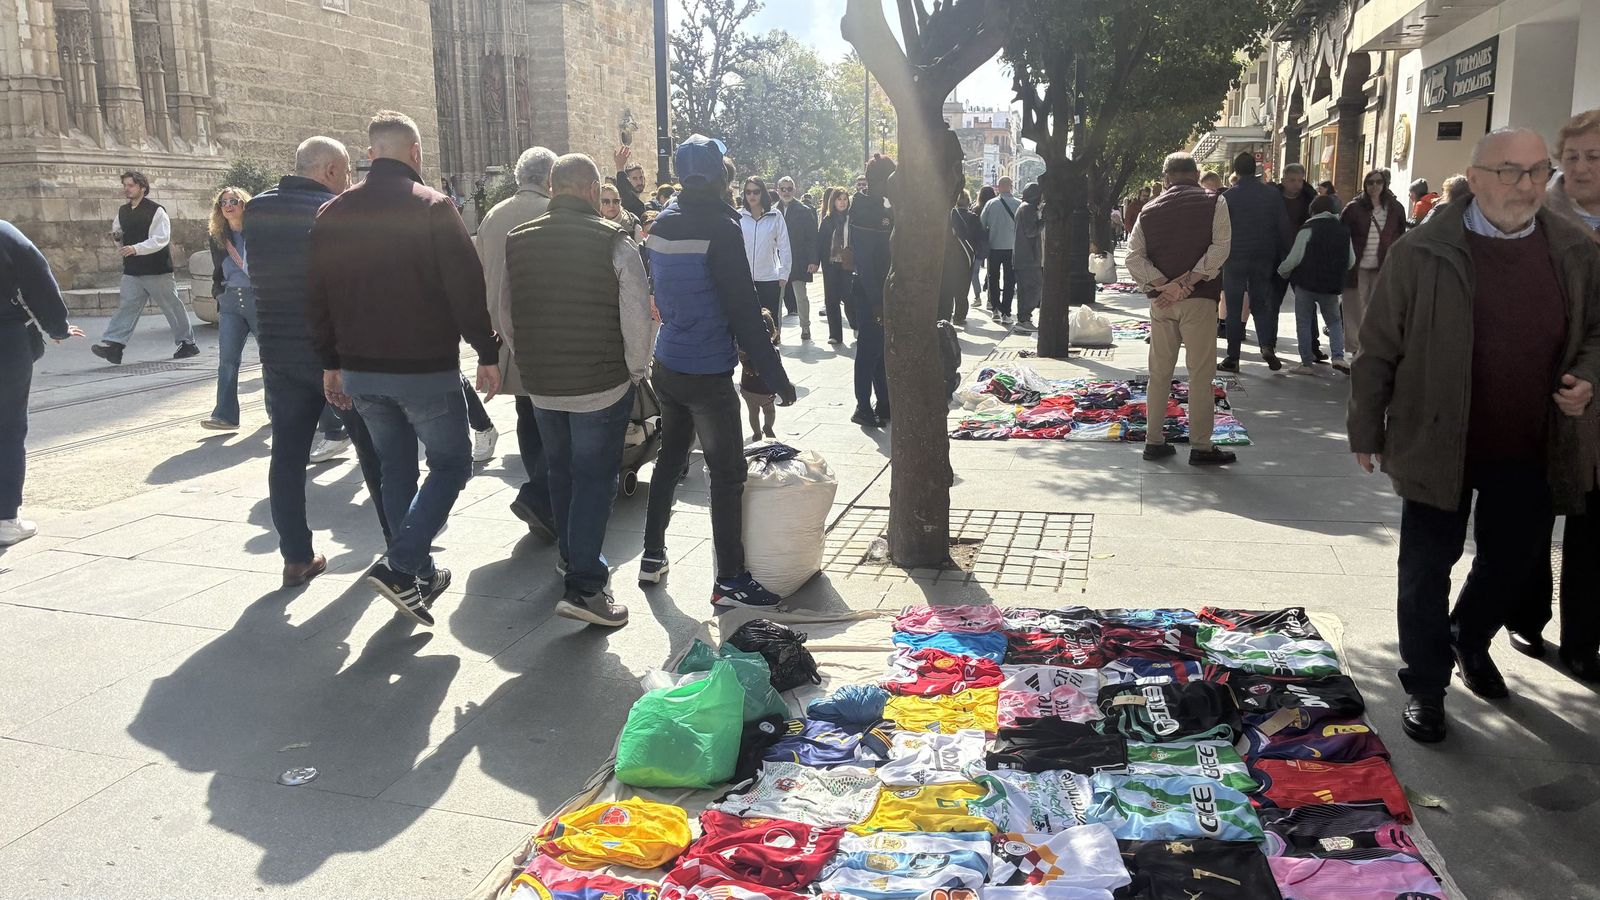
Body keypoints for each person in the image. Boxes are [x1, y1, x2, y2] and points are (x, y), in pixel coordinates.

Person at [1348, 126, 1600, 743]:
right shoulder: (1424, 249)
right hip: (1438, 436)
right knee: (1427, 566)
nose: (1529, 184)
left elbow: (1597, 331)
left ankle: (1468, 634)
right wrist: (1366, 423)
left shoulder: (1575, 248)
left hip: (1533, 439)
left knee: (1514, 560)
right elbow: (1379, 344)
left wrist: (1586, 378)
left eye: (1539, 171)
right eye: (1512, 171)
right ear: (1478, 176)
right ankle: (1428, 687)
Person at [307, 110, 501, 626]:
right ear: (415, 153)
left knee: (395, 468)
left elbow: (318, 297)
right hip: (422, 368)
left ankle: (417, 571)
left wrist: (330, 364)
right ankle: (402, 564)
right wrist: (487, 351)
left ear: (370, 155)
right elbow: (466, 288)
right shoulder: (433, 208)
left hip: (361, 371)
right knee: (452, 463)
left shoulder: (332, 214)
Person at [640, 134, 796, 608]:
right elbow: (745, 312)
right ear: (722, 176)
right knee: (727, 475)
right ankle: (729, 578)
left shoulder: (663, 224)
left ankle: (651, 555)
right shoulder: (722, 228)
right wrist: (774, 377)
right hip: (707, 372)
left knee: (670, 460)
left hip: (667, 363)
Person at [504, 153, 652, 627]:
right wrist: (637, 371)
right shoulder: (614, 240)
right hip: (599, 384)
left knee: (563, 473)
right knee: (594, 480)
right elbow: (636, 314)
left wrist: (527, 360)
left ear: (552, 187)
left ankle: (572, 557)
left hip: (542, 385)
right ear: (592, 190)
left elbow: (507, 313)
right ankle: (586, 586)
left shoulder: (518, 240)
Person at [247, 136, 392, 588]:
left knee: (287, 456)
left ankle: (296, 556)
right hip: (334, 356)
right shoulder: (338, 211)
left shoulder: (256, 209)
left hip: (278, 353)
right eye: (347, 172)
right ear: (330, 170)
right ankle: (401, 550)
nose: (348, 181)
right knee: (373, 451)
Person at [1525, 109, 1600, 683]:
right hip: (1538, 388)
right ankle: (1525, 617)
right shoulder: (1533, 218)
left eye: (1594, 157)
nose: (1580, 167)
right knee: (1528, 513)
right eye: (1571, 156)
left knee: (1592, 525)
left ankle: (1582, 639)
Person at [1125, 152, 1235, 467]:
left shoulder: (1149, 209)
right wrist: (1186, 283)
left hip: (1162, 303)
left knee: (1159, 373)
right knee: (1201, 374)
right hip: (1199, 301)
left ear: (1165, 179)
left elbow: (1133, 258)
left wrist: (1165, 286)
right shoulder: (1215, 202)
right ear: (1196, 174)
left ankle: (1153, 441)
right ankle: (1201, 446)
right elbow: (1220, 248)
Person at [477, 145, 558, 541]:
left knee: (528, 416)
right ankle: (541, 496)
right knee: (555, 423)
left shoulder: (493, 215)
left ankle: (540, 495)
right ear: (550, 179)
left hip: (501, 337)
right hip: (545, 336)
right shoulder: (553, 214)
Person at [1, 220, 83, 546]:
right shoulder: (4, 233)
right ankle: (5, 518)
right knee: (7, 427)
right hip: (5, 341)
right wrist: (56, 326)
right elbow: (37, 274)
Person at [90, 171, 198, 365]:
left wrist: (136, 248)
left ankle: (188, 343)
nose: (126, 189)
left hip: (156, 269)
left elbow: (161, 239)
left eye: (130, 185)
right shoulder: (122, 211)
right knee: (127, 306)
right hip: (132, 269)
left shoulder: (157, 211)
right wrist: (118, 239)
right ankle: (115, 346)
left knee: (171, 306)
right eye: (125, 185)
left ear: (142, 187)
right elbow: (119, 234)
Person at [1219, 152, 1289, 373]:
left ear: (1236, 170)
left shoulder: (1228, 197)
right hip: (1263, 257)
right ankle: (1266, 346)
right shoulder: (1272, 195)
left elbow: (1221, 230)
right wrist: (1285, 256)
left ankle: (1233, 356)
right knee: (1260, 304)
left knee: (1233, 306)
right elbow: (1283, 226)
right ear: (1256, 169)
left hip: (1235, 257)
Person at [200, 186, 258, 431]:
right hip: (231, 300)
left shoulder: (258, 232)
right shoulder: (219, 238)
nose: (228, 205)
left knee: (271, 359)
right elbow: (217, 271)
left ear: (244, 204)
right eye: (223, 202)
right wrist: (220, 294)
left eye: (234, 200)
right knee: (227, 360)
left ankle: (276, 412)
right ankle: (225, 415)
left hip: (257, 298)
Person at [1277, 195, 1352, 375]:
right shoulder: (1343, 230)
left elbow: (1294, 258)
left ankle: (1306, 363)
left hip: (1306, 283)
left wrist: (1281, 271)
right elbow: (1351, 260)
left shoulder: (1308, 229)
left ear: (1313, 210)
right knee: (1334, 322)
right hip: (1331, 286)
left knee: (1303, 322)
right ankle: (1338, 357)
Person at [1340, 169, 1408, 358]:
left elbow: (1401, 235)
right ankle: (1355, 349)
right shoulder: (1354, 208)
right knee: (1354, 309)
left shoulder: (1395, 208)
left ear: (1385, 184)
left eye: (1379, 182)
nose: (1375, 186)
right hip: (1356, 266)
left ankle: (1372, 347)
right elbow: (1341, 235)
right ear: (1365, 185)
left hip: (1382, 266)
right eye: (1370, 182)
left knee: (1377, 309)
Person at [850, 154, 895, 427]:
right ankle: (862, 406)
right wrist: (877, 301)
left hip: (883, 290)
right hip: (869, 293)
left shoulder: (883, 206)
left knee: (881, 350)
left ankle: (884, 402)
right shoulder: (865, 207)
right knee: (868, 351)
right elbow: (865, 263)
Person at [739, 175, 792, 339]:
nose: (752, 196)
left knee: (771, 327)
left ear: (762, 193)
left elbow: (784, 246)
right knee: (746, 324)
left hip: (769, 279)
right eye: (748, 192)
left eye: (756, 191)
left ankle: (773, 360)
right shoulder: (738, 217)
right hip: (744, 280)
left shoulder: (775, 216)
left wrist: (784, 273)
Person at [777, 177, 819, 341]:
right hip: (778, 261)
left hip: (798, 259)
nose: (786, 192)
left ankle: (805, 328)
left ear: (794, 190)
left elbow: (812, 237)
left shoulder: (804, 210)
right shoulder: (773, 210)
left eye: (789, 189)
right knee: (777, 298)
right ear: (778, 190)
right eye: (783, 189)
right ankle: (776, 331)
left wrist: (813, 260)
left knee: (800, 296)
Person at [980, 176, 1020, 324]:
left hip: (994, 246)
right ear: (1010, 186)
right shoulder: (1018, 204)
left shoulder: (990, 204)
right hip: (1011, 247)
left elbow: (982, 224)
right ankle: (1006, 312)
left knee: (993, 278)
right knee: (1010, 280)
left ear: (999, 187)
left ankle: (995, 309)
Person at [817, 187, 855, 342]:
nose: (842, 202)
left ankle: (856, 325)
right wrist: (815, 262)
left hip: (848, 264)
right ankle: (835, 335)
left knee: (849, 296)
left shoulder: (852, 219)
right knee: (831, 299)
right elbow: (819, 243)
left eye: (845, 199)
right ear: (833, 201)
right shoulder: (827, 220)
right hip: (831, 264)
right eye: (839, 199)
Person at [741, 310, 781, 443]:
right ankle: (768, 426)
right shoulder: (773, 351)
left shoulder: (745, 350)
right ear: (773, 330)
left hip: (748, 388)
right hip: (766, 389)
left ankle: (756, 433)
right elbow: (777, 369)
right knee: (769, 411)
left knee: (753, 412)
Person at [1012, 182, 1044, 333]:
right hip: (1028, 258)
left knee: (1026, 289)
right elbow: (1031, 231)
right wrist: (1043, 221)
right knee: (1034, 287)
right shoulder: (1028, 209)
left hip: (1023, 256)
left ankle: (1023, 318)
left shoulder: (1023, 208)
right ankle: (1024, 318)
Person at [971, 185, 996, 305]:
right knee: (992, 273)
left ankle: (977, 296)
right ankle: (990, 300)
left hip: (978, 244)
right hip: (994, 242)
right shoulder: (994, 208)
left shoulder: (976, 209)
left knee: (974, 272)